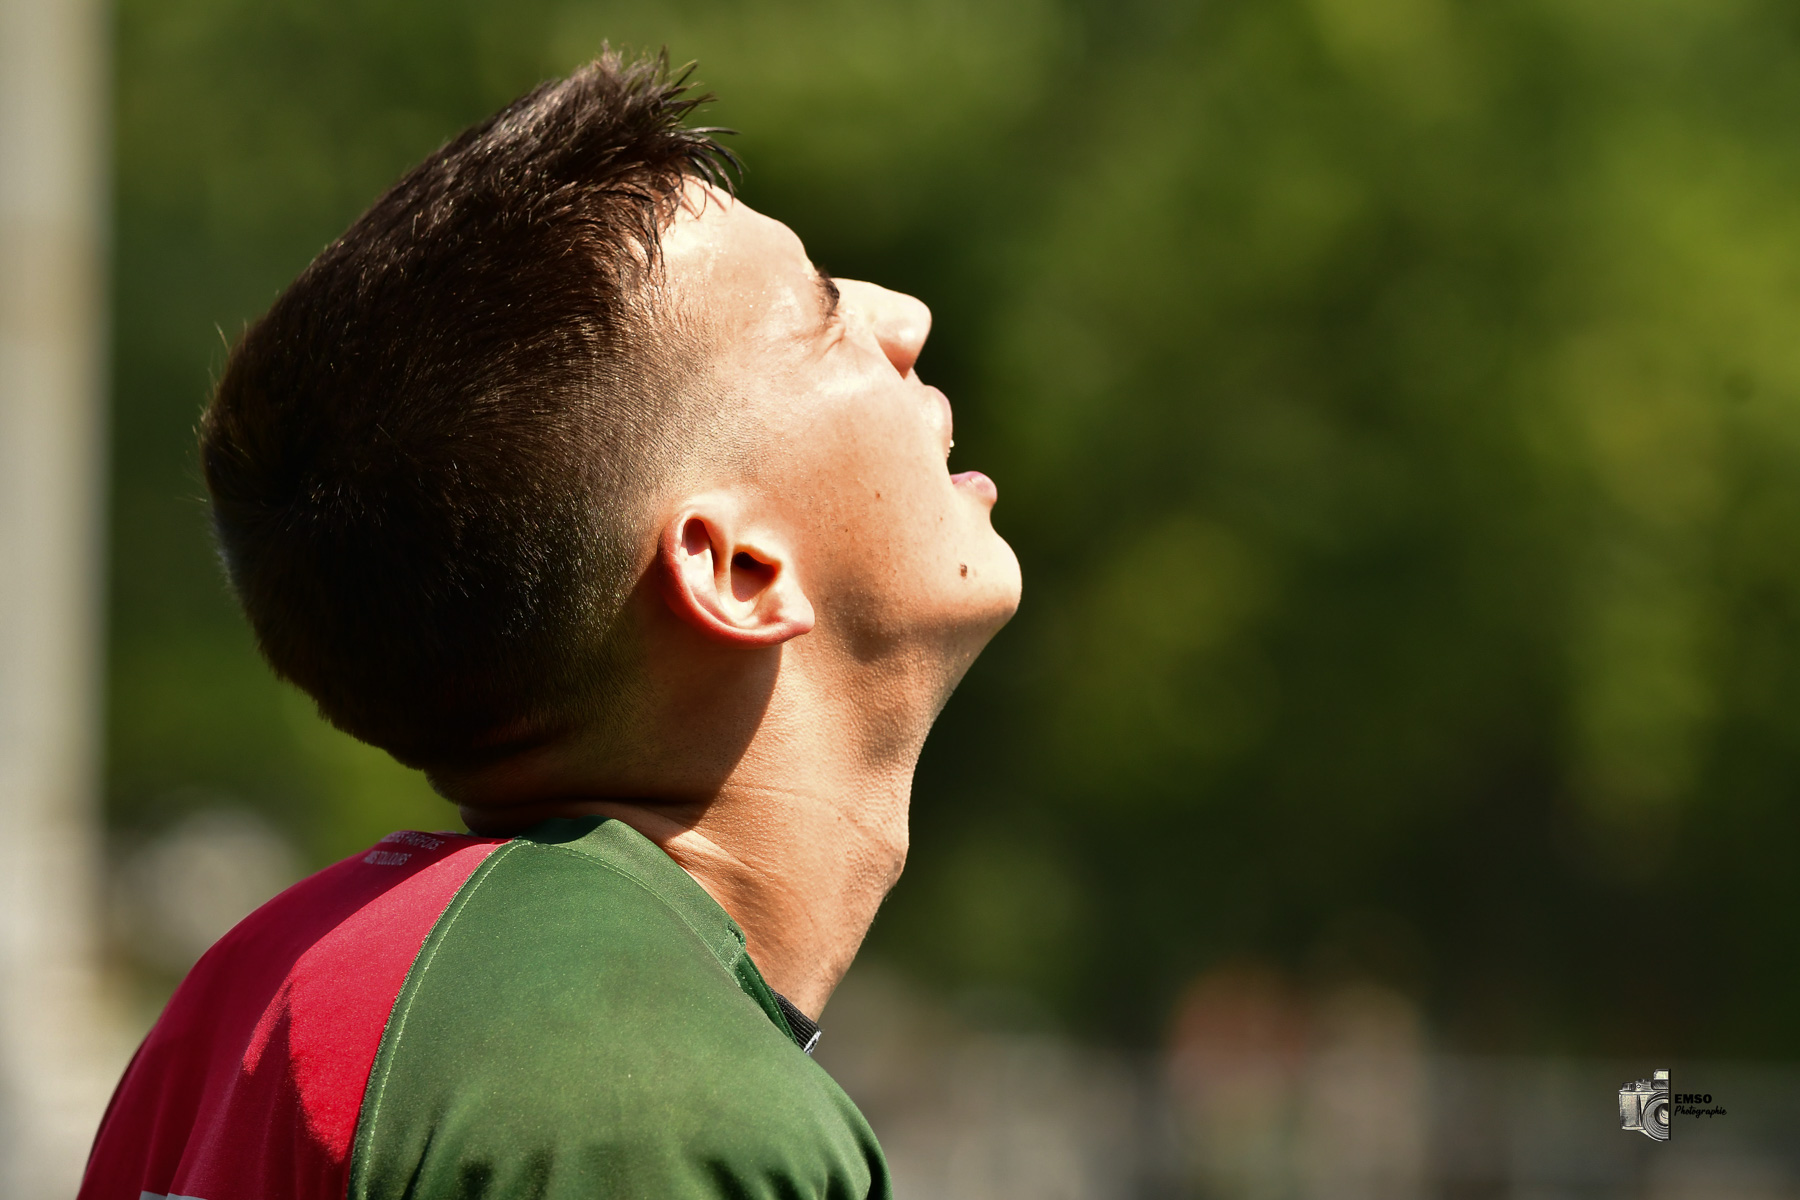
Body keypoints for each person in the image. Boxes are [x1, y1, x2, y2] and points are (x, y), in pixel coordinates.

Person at [80, 50, 1019, 1200]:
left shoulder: (251, 993)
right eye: (821, 318)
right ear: (738, 568)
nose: (904, 318)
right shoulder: (636, 1101)